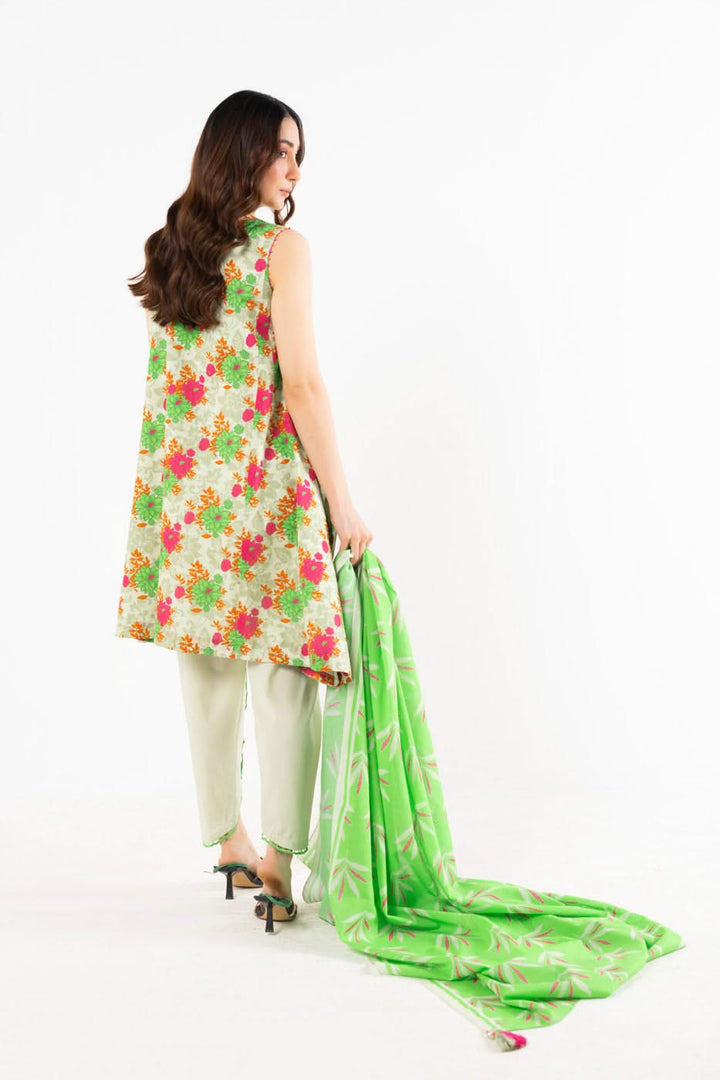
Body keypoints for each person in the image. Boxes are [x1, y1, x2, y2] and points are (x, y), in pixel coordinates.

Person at [114, 89, 373, 927]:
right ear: (243, 152)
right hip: (268, 491)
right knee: (286, 672)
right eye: (282, 150)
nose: (295, 169)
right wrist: (343, 502)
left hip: (189, 499)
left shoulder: (169, 253)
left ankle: (228, 839)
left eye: (299, 154)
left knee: (207, 670)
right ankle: (278, 864)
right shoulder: (281, 252)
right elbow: (302, 384)